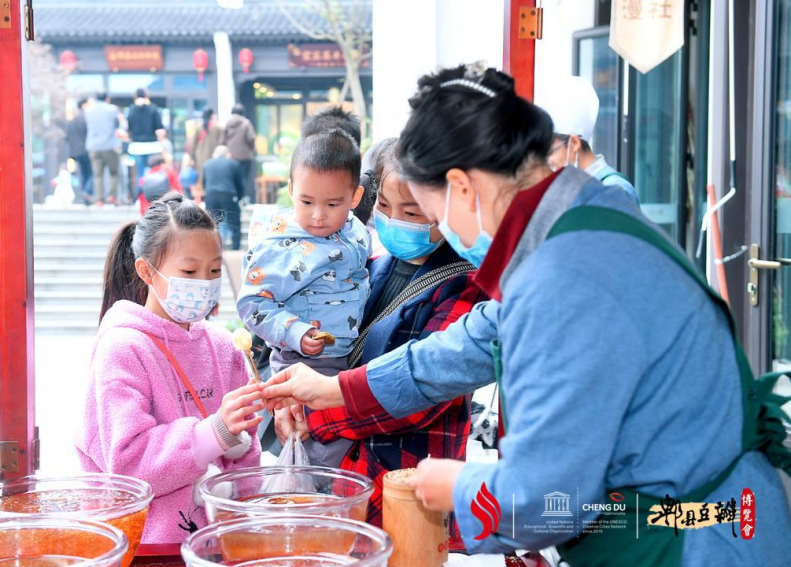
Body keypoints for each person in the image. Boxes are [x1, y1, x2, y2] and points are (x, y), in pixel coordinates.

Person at [260, 64, 791, 565]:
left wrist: (455, 487)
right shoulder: (585, 217)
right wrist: (338, 390)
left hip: (694, 536)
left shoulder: (563, 276)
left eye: (436, 211)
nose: (445, 232)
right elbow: (472, 340)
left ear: (464, 188)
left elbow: (547, 500)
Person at [274, 138, 486, 547]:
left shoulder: (466, 285)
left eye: (411, 212)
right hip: (348, 481)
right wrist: (293, 403)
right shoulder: (372, 264)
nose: (393, 221)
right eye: (384, 208)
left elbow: (422, 396)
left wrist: (316, 414)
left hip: (409, 485)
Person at [76, 193, 264, 543]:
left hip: (222, 541)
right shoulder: (123, 348)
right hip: (151, 547)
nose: (205, 283)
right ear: (146, 271)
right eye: (190, 271)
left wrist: (245, 517)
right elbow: (128, 464)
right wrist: (215, 433)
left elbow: (248, 453)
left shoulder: (223, 346)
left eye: (214, 270)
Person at [237, 129, 369, 467]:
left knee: (340, 447)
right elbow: (252, 304)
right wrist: (295, 331)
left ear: (354, 197)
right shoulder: (279, 245)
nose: (318, 215)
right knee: (315, 450)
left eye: (332, 204)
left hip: (348, 360)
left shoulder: (356, 231)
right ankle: (304, 507)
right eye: (306, 202)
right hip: (303, 362)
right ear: (291, 190)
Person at [537, 76, 639, 204]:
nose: (548, 161)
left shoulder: (616, 190)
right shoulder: (570, 189)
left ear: (574, 143)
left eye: (549, 152)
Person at [203, 145, 245, 250]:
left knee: (212, 224)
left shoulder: (207, 164)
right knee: (235, 224)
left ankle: (212, 249)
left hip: (211, 195)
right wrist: (239, 198)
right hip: (228, 195)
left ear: (215, 154)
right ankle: (235, 249)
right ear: (228, 154)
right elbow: (239, 184)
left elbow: (204, 183)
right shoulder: (233, 164)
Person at [85, 92, 122, 206]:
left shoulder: (88, 110)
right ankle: (112, 196)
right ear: (107, 98)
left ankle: (99, 199)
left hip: (93, 146)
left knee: (97, 174)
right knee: (114, 172)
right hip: (109, 145)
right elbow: (117, 124)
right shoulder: (112, 109)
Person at [127, 88, 166, 190]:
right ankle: (153, 198)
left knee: (139, 174)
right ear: (146, 96)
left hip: (137, 146)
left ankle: (139, 198)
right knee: (152, 173)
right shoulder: (153, 108)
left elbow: (128, 127)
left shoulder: (131, 109)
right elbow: (160, 128)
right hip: (152, 146)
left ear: (135, 96)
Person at [188, 108, 224, 201]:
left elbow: (192, 144)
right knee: (212, 176)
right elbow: (222, 142)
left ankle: (202, 198)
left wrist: (192, 157)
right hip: (212, 157)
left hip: (200, 157)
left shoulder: (199, 127)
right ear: (212, 116)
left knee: (201, 177)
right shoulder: (217, 128)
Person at [222, 104, 256, 199]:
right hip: (244, 157)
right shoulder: (246, 123)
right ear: (242, 113)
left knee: (232, 179)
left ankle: (233, 198)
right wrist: (252, 149)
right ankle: (241, 198)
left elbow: (222, 141)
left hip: (230, 158)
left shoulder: (227, 123)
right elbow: (251, 138)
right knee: (243, 179)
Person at [67, 97, 93, 202]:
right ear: (84, 105)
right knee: (92, 173)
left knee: (83, 173)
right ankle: (86, 192)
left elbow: (68, 137)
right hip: (86, 150)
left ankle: (85, 195)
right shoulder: (87, 118)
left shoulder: (73, 119)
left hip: (76, 152)